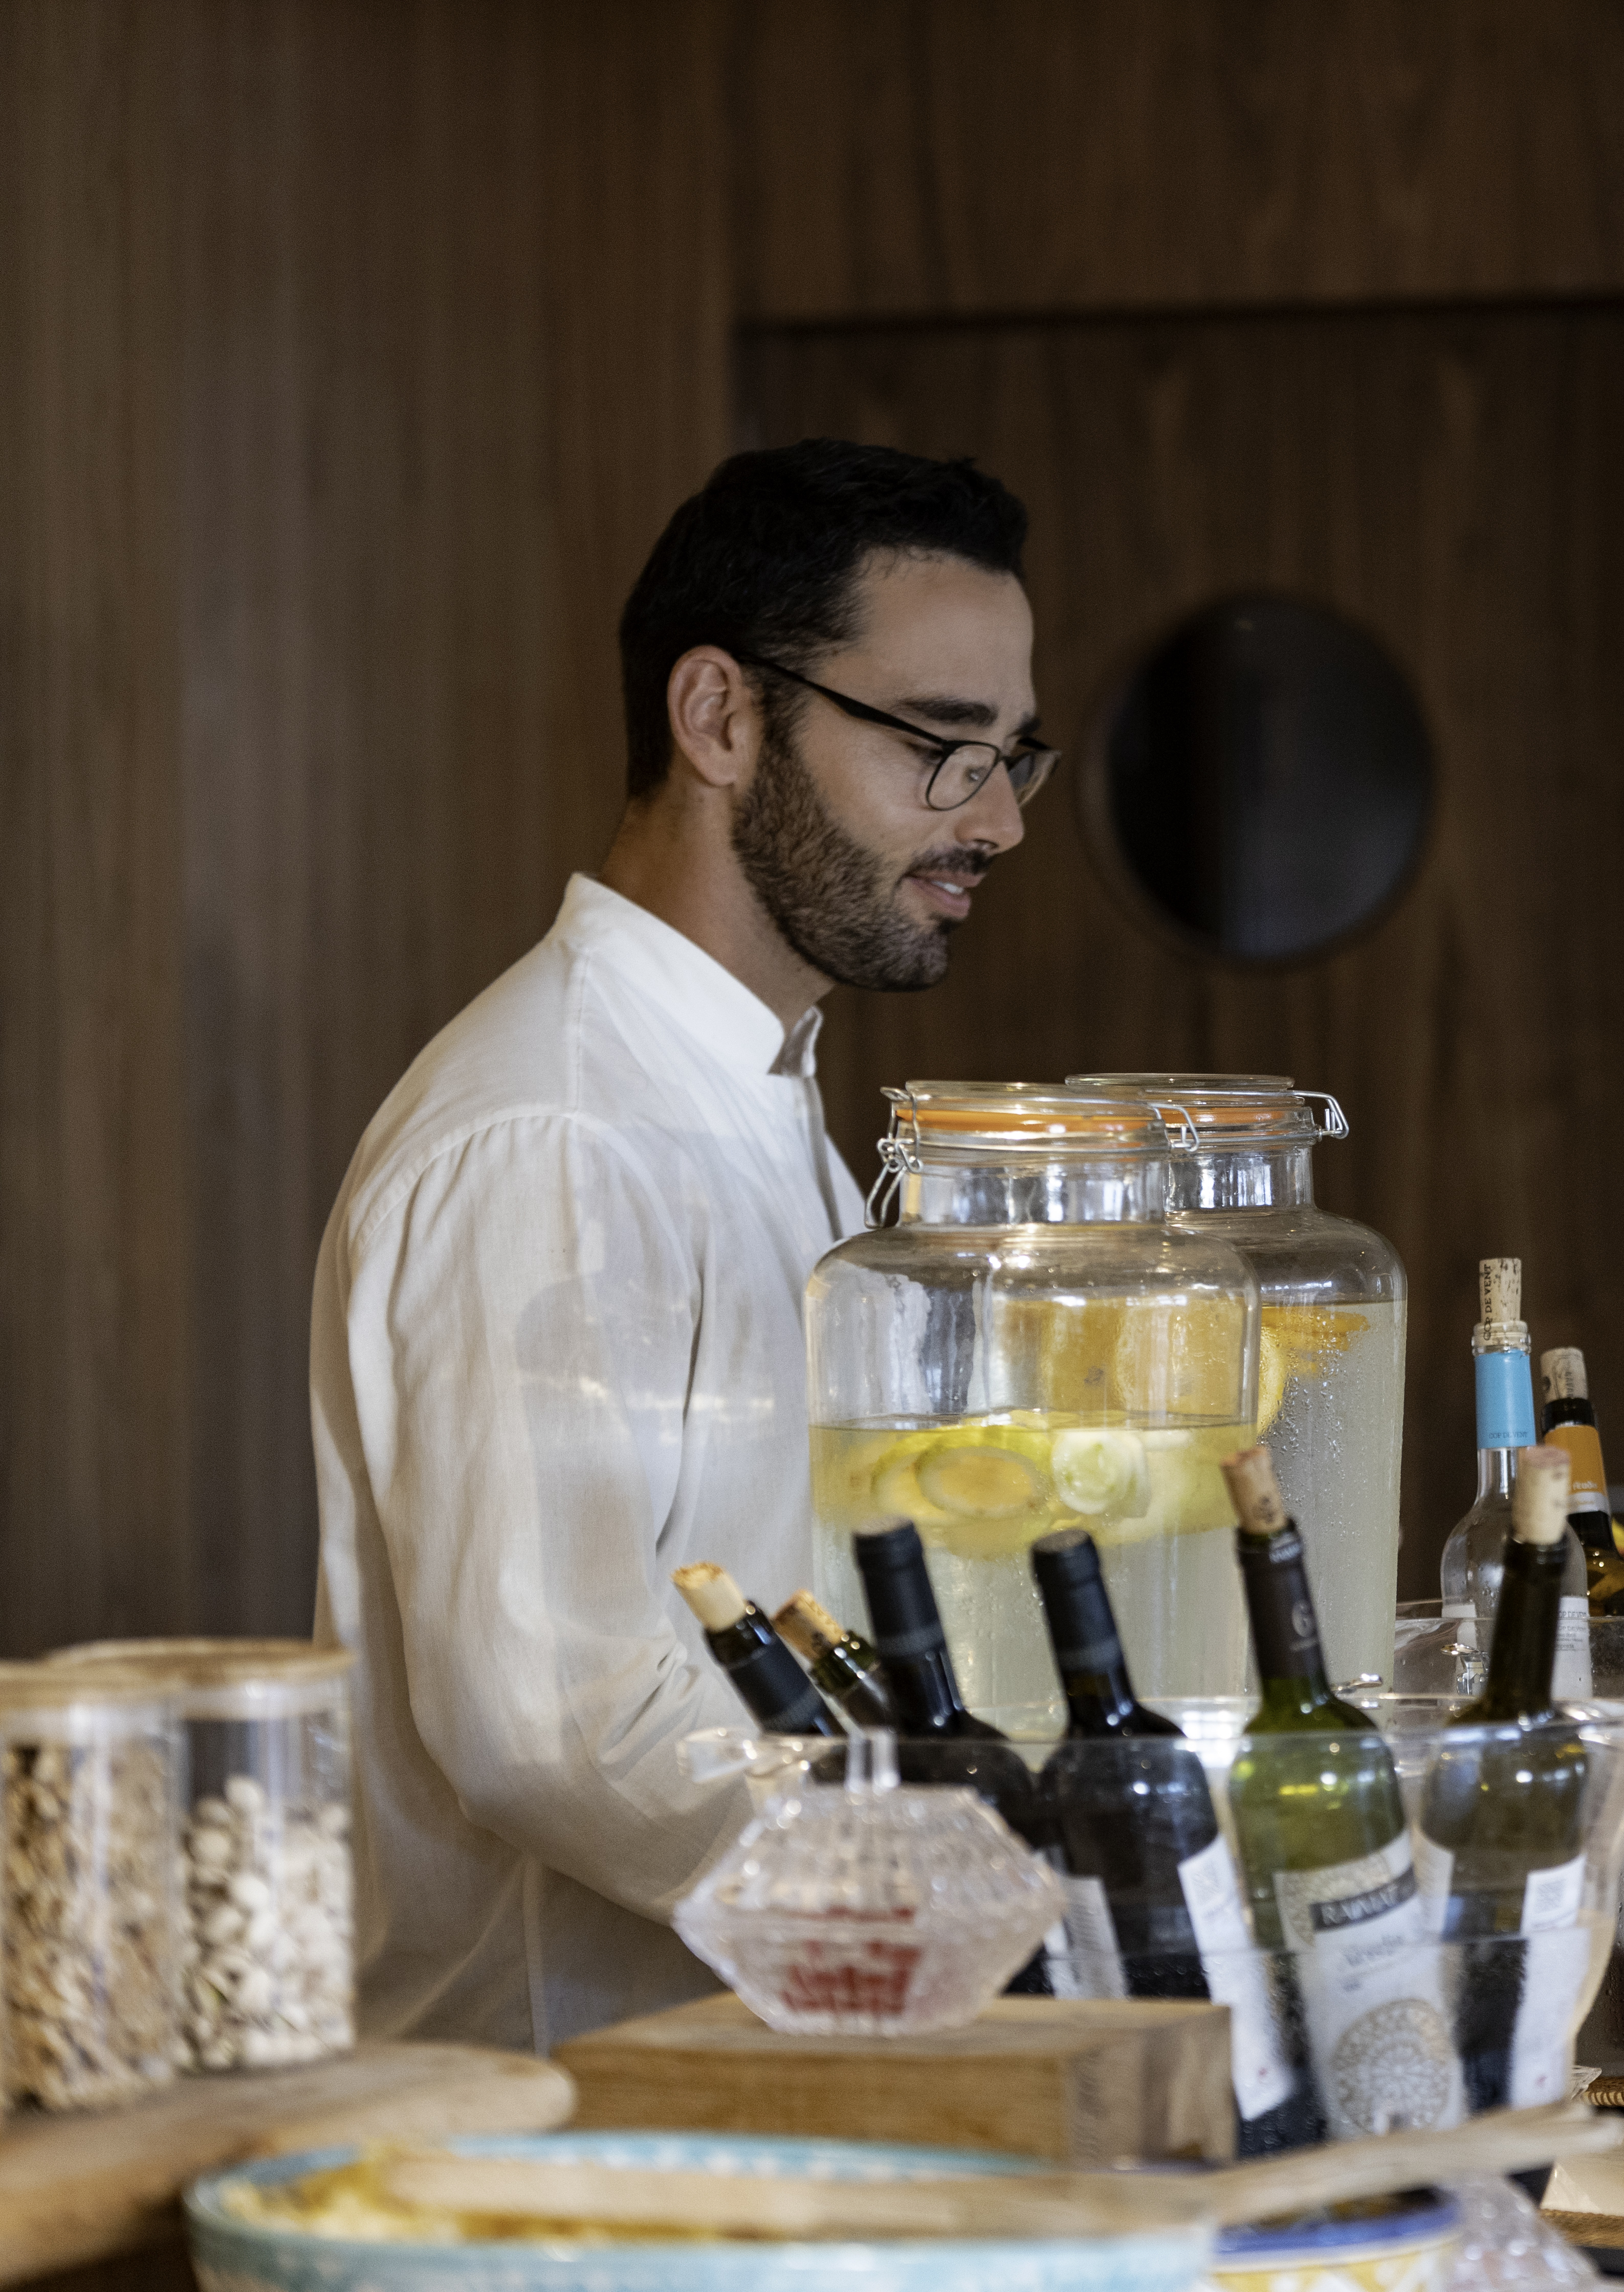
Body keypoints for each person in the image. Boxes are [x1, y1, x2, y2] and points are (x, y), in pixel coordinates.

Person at [312, 439, 1050, 2049]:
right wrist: (990, 1926)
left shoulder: (755, 1093)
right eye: (942, 744)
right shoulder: (556, 1132)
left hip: (757, 2100)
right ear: (719, 716)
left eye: (1011, 756)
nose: (993, 818)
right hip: (560, 2146)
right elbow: (555, 1721)